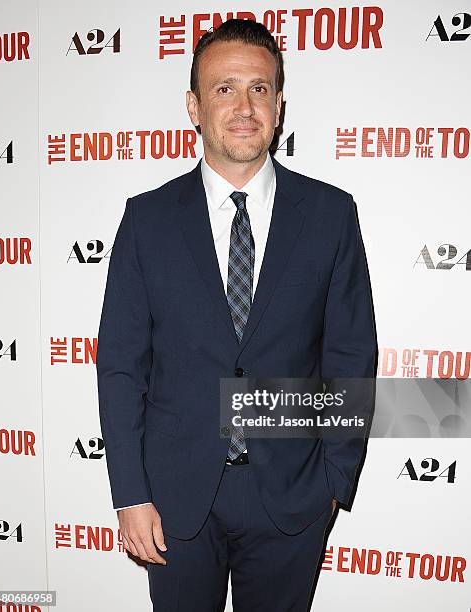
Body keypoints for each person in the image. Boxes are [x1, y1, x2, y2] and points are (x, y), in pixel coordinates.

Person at [96, 17, 377, 612]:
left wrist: (333, 482)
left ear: (279, 103)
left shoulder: (331, 214)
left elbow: (351, 356)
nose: (244, 106)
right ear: (194, 106)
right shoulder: (147, 220)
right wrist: (130, 494)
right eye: (224, 89)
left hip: (292, 499)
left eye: (259, 88)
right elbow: (121, 365)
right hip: (175, 500)